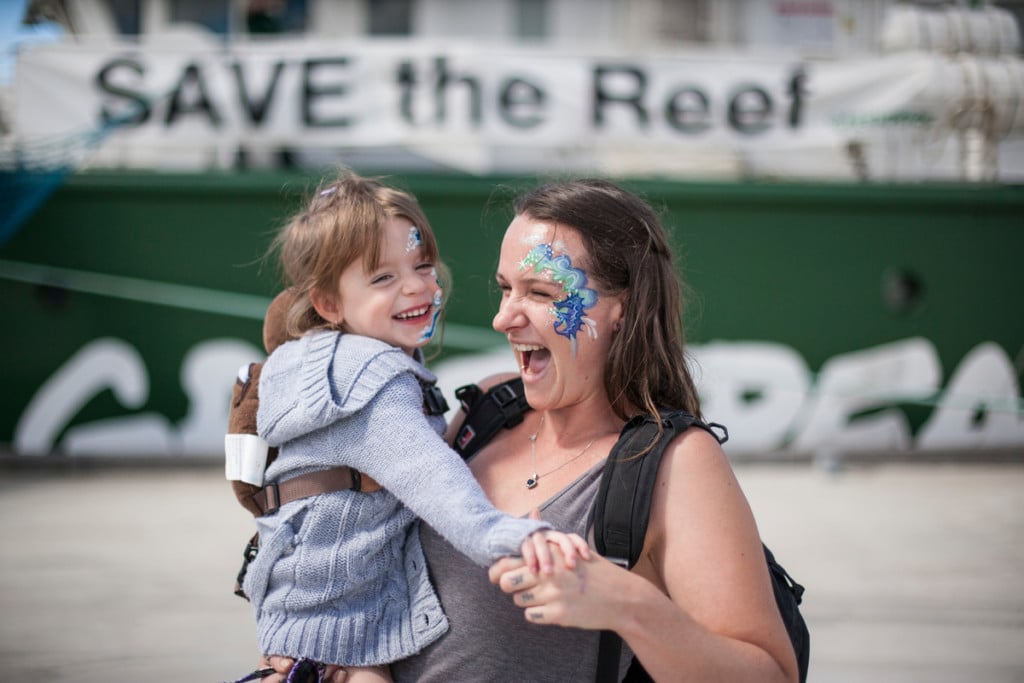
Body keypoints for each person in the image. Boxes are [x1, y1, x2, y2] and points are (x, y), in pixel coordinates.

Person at [264, 178, 800, 682]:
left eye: (541, 293)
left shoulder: (677, 463)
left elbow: (771, 674)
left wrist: (628, 606)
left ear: (622, 307)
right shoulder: (486, 411)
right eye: (505, 289)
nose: (503, 319)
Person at [231, 171, 589, 683]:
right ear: (329, 304)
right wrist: (511, 536)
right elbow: (434, 481)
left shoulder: (316, 360)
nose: (417, 286)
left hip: (301, 602)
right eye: (383, 278)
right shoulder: (372, 383)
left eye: (422, 265)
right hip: (339, 625)